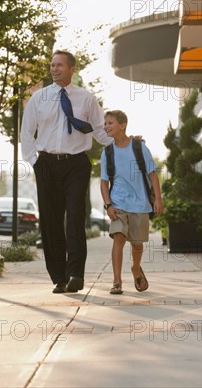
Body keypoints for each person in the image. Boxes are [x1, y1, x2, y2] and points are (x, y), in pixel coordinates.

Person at [20, 50, 113, 293]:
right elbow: (27, 132)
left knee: (74, 218)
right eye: (52, 65)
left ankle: (76, 275)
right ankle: (59, 277)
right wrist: (34, 161)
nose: (54, 69)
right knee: (50, 222)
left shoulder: (86, 99)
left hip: (76, 164)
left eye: (59, 65)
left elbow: (100, 132)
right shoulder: (39, 98)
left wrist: (124, 141)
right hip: (47, 164)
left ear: (72, 69)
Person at [100, 110, 164, 295]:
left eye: (110, 123)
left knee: (137, 243)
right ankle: (117, 281)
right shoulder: (108, 152)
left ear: (122, 125)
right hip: (118, 202)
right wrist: (108, 205)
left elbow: (152, 175)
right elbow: (104, 182)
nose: (106, 126)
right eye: (105, 123)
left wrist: (158, 199)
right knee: (118, 238)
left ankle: (136, 268)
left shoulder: (139, 147)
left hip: (140, 203)